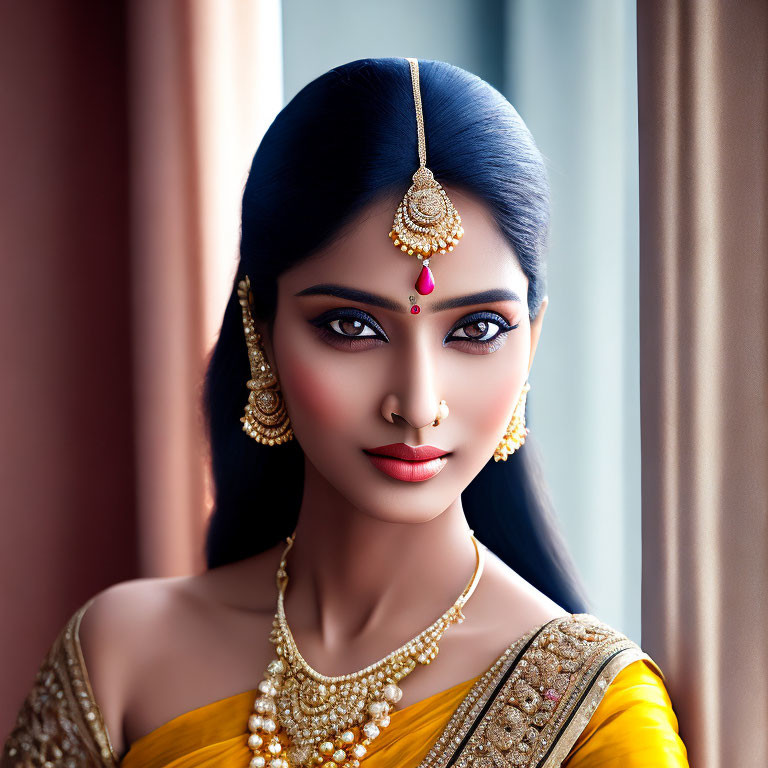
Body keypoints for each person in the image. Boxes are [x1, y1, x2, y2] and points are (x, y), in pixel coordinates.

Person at [2, 57, 688, 768]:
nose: (418, 404)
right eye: (353, 327)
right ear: (260, 331)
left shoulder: (591, 716)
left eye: (477, 329)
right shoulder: (122, 653)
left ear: (532, 341)